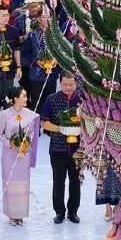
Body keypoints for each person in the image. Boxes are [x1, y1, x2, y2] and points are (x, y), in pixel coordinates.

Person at [42, 71, 83, 224]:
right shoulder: (51, 99)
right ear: (60, 83)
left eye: (71, 84)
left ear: (76, 83)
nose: (68, 87)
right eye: (65, 84)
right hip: (58, 148)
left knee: (75, 181)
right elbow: (44, 122)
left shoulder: (82, 100)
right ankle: (59, 211)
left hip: (78, 150)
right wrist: (61, 129)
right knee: (58, 181)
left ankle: (73, 211)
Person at [0, 86, 40, 226]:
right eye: (24, 96)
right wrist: (11, 144)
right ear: (15, 99)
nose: (26, 99)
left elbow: (32, 131)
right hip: (10, 154)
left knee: (23, 184)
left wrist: (27, 142)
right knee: (10, 183)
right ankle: (11, 214)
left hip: (24, 154)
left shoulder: (29, 114)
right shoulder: (4, 114)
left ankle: (20, 214)